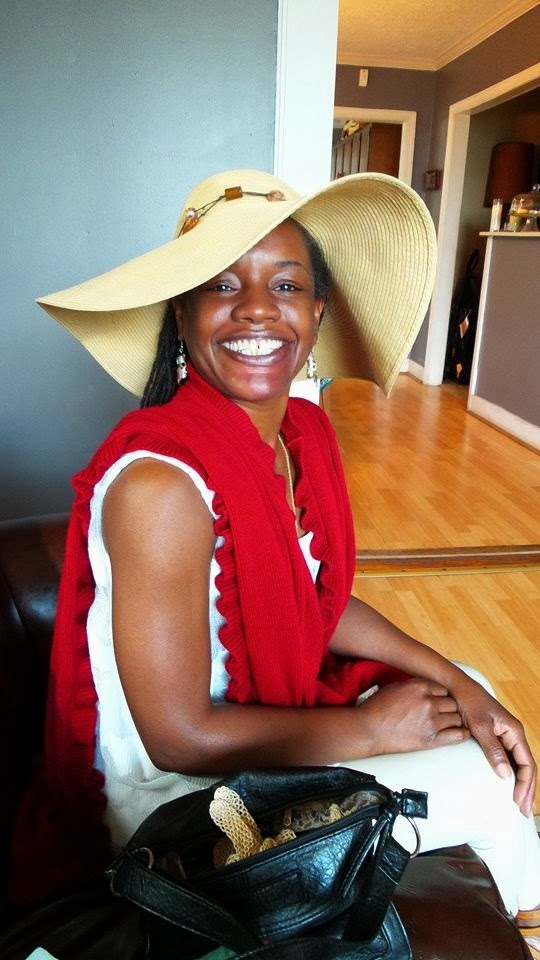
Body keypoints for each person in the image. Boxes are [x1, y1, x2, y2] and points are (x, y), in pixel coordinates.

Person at [10, 169, 540, 956]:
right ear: (182, 315)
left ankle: (520, 914)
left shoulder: (300, 435)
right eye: (222, 285)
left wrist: (455, 677)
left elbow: (317, 600)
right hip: (181, 799)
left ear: (316, 312)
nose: (257, 308)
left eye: (285, 284)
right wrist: (366, 731)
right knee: (493, 785)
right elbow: (179, 739)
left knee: (475, 690)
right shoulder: (160, 485)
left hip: (258, 727)